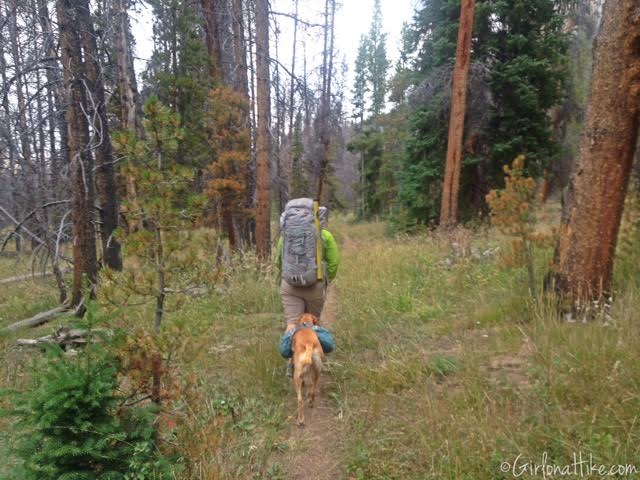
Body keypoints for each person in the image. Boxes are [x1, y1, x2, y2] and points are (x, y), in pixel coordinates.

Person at [276, 202, 339, 377]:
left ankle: (292, 362)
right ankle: (315, 359)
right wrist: (325, 281)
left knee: (292, 323)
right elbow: (334, 261)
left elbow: (277, 261)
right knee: (312, 324)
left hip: (290, 286)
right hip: (315, 285)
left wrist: (288, 277)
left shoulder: (286, 236)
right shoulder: (324, 235)